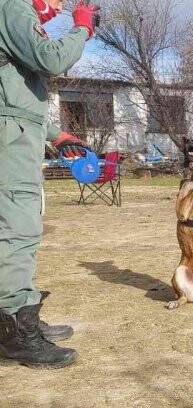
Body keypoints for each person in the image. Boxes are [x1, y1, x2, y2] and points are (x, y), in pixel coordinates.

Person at [0, 0, 99, 368]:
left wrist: (56, 134)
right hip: (10, 140)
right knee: (16, 230)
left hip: (19, 131)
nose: (59, 4)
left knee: (17, 228)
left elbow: (14, 93)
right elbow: (51, 59)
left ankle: (19, 321)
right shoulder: (11, 6)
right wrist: (82, 28)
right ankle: (16, 333)